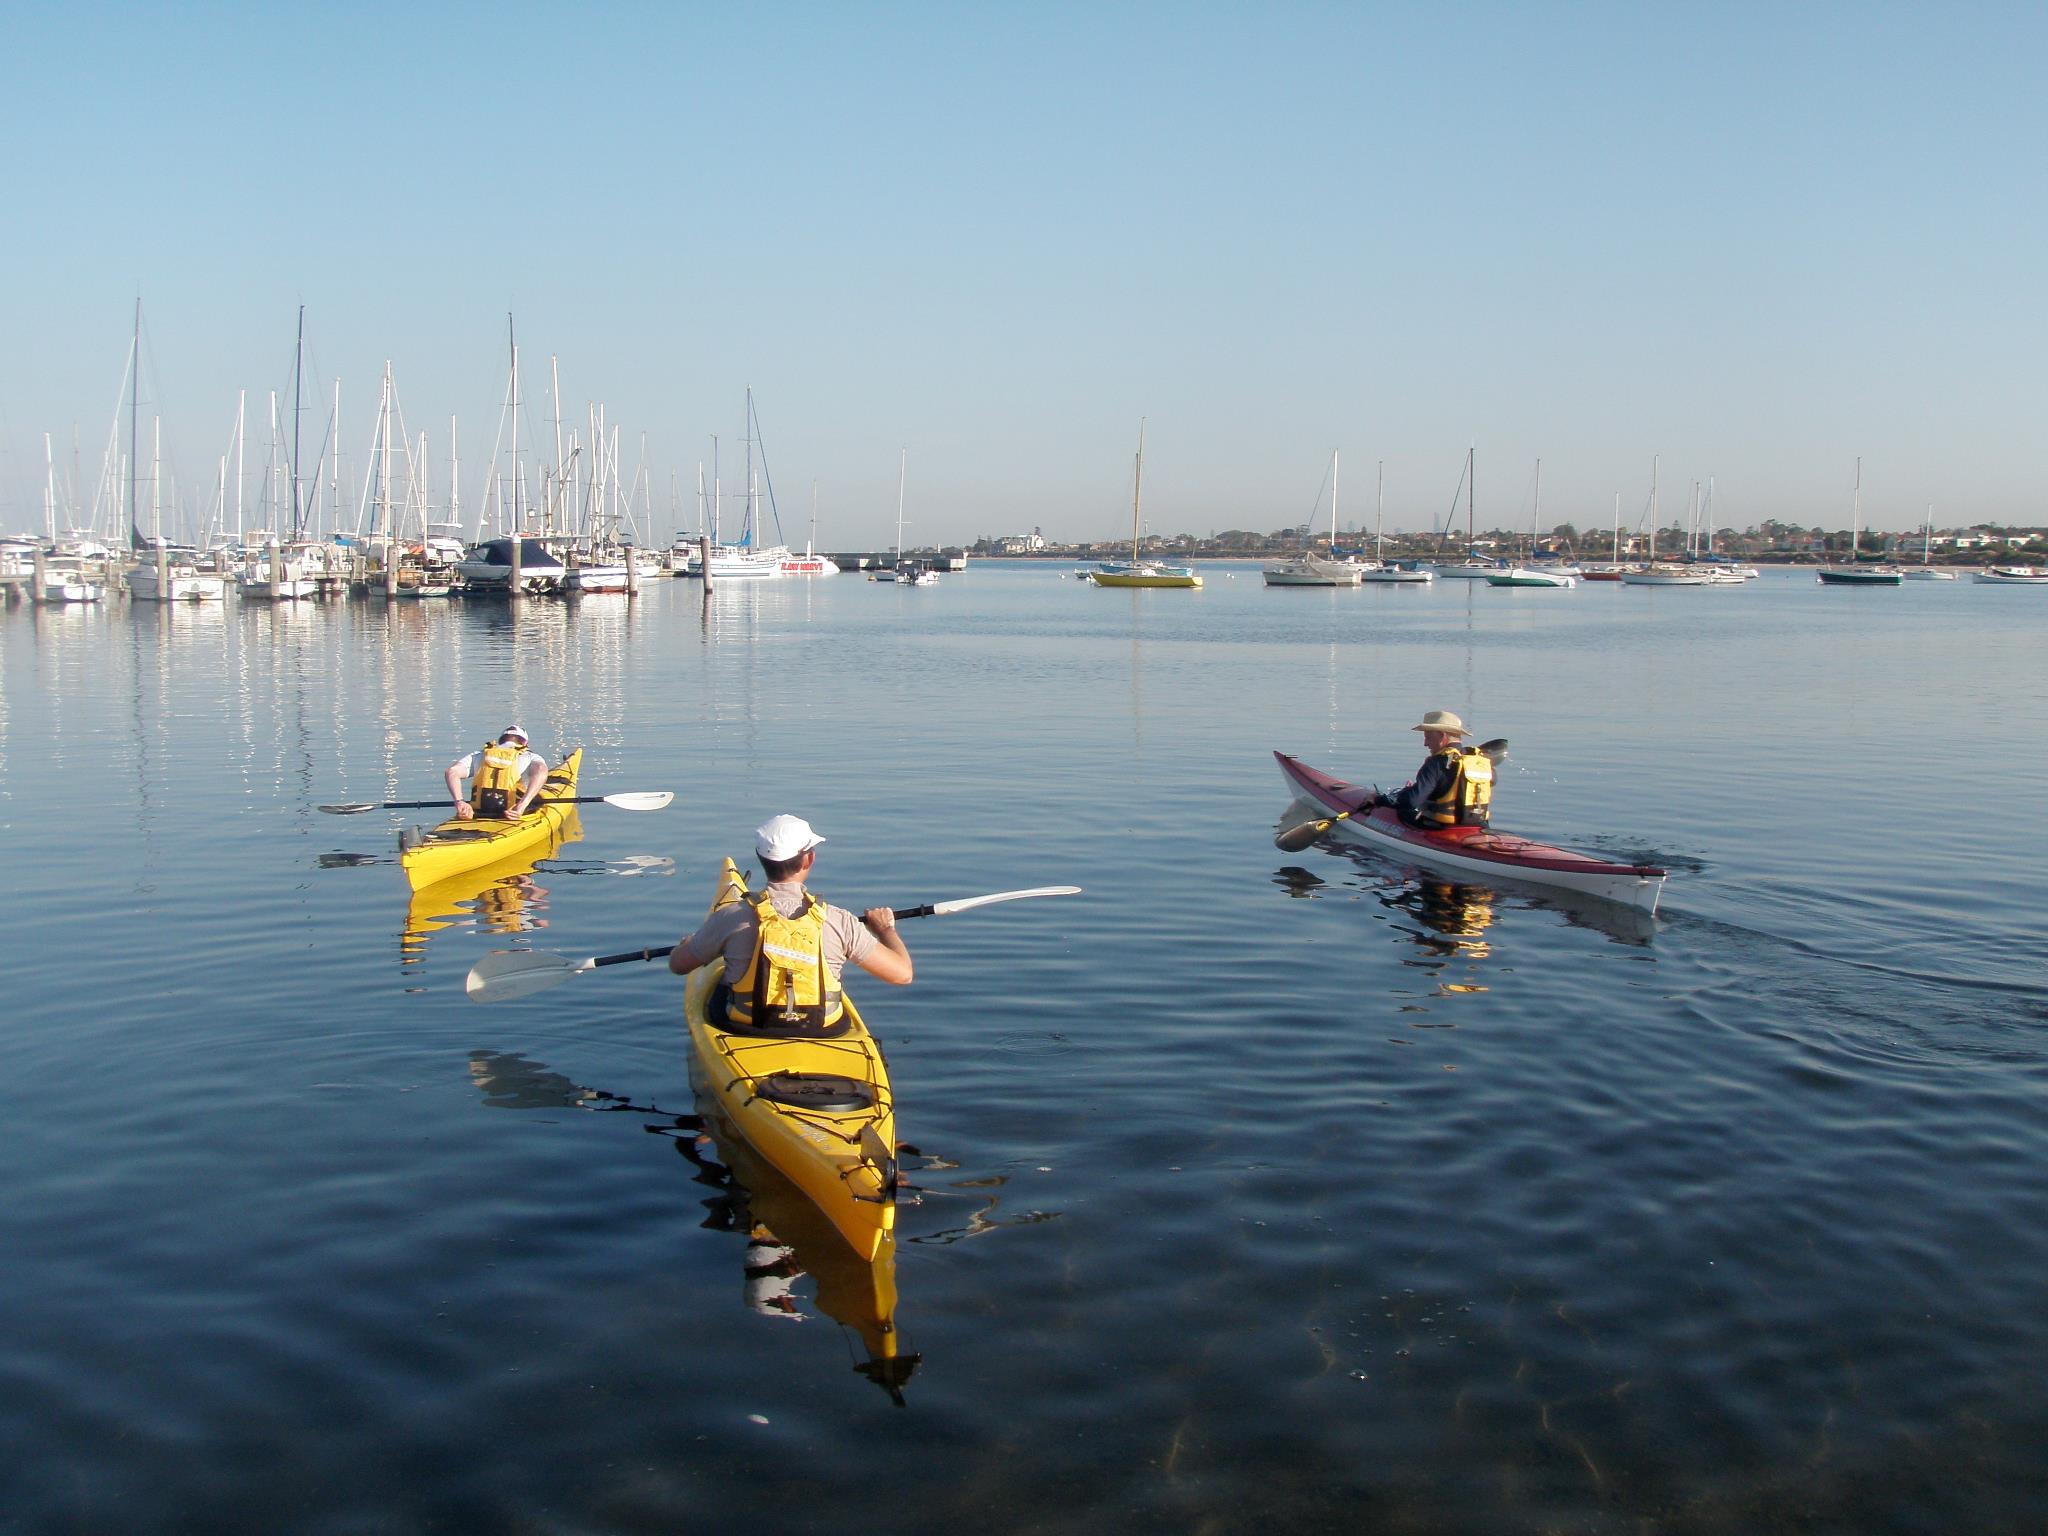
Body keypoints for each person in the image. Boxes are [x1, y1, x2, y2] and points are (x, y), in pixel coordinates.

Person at [668, 814, 913, 1033]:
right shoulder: (840, 921)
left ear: (760, 859)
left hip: (744, 1025)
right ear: (809, 860)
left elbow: (678, 966)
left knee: (720, 983)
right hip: (823, 1028)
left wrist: (689, 945)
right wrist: (885, 930)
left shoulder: (730, 917)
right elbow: (902, 975)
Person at [1369, 709, 1494, 830]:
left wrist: (1380, 800)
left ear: (1441, 736)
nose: (1425, 743)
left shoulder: (1437, 762)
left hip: (1440, 828)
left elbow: (1412, 801)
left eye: (1428, 737)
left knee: (1402, 810)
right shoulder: (1481, 761)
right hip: (1479, 827)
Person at [445, 725, 548, 821]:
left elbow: (451, 772)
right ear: (525, 743)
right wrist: (523, 804)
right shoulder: (529, 756)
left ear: (500, 741)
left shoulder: (480, 755)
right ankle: (522, 805)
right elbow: (541, 770)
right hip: (513, 814)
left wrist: (459, 801)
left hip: (479, 813)